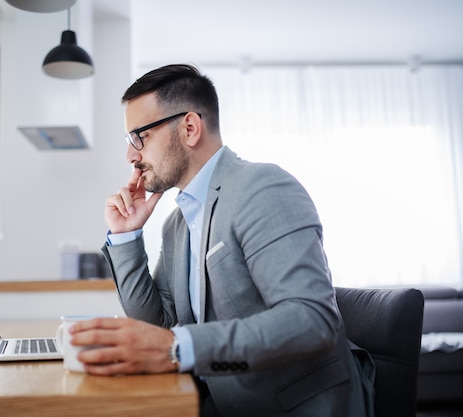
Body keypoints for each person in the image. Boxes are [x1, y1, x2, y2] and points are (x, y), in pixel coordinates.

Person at [69, 64, 374, 417]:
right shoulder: (177, 222)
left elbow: (311, 320)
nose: (131, 156)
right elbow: (157, 324)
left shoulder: (261, 188)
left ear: (189, 127)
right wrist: (125, 235)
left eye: (140, 137)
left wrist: (179, 347)